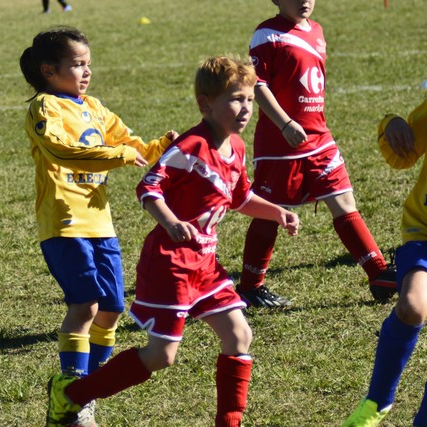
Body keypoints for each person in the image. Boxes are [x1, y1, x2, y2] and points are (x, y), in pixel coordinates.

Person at [45, 55, 300, 427]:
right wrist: (171, 221)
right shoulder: (190, 147)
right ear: (205, 104)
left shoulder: (236, 147)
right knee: (161, 356)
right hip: (171, 264)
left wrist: (277, 212)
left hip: (205, 265)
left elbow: (240, 197)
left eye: (249, 99)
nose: (246, 108)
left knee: (239, 334)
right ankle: (70, 395)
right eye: (235, 99)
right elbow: (148, 188)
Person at [19, 26, 176, 427]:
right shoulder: (44, 108)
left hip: (100, 222)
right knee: (85, 304)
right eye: (77, 64)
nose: (87, 71)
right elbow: (63, 151)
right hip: (64, 222)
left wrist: (164, 145)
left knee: (111, 308)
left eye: (88, 63)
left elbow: (133, 145)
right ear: (49, 70)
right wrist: (116, 155)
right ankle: (71, 391)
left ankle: (85, 393)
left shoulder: (93, 107)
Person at [236, 0, 396, 308]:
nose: (304, 0)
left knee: (344, 201)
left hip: (319, 137)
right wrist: (285, 124)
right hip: (281, 142)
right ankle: (250, 287)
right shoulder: (266, 34)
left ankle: (378, 274)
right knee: (271, 210)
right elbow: (258, 85)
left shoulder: (318, 31)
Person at [343, 100, 427, 426]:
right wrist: (391, 124)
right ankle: (377, 402)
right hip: (423, 232)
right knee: (412, 306)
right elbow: (401, 156)